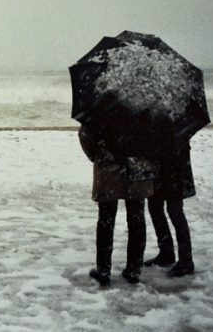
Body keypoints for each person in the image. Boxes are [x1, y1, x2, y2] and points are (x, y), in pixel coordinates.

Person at [79, 112, 155, 286]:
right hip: (138, 168)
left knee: (106, 220)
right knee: (136, 219)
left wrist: (97, 155)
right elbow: (154, 138)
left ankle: (104, 270)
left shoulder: (101, 105)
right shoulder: (145, 107)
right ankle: (134, 269)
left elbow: (85, 135)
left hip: (109, 168)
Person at [145, 134, 197, 277]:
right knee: (155, 208)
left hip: (174, 170)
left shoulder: (175, 123)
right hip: (163, 169)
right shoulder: (174, 120)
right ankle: (167, 251)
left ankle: (185, 259)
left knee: (174, 211)